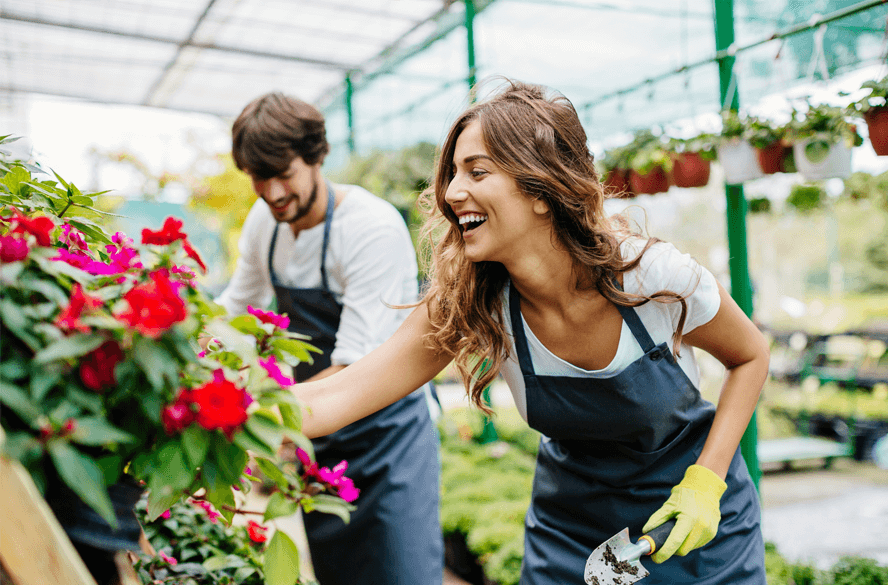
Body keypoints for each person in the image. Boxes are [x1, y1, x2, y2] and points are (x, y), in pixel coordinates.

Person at [291, 80, 771, 585]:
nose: (452, 192)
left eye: (477, 171)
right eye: (453, 174)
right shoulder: (477, 301)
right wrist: (232, 410)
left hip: (689, 530)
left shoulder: (649, 274)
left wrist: (707, 481)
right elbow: (344, 392)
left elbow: (750, 355)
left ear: (542, 190)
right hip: (571, 532)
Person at [215, 92, 443, 585]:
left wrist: (251, 423)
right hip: (317, 437)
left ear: (315, 158)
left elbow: (355, 369)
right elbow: (235, 311)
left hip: (386, 440)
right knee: (337, 571)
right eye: (260, 177)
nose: (273, 192)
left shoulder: (370, 228)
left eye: (284, 173)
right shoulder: (265, 225)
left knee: (399, 572)